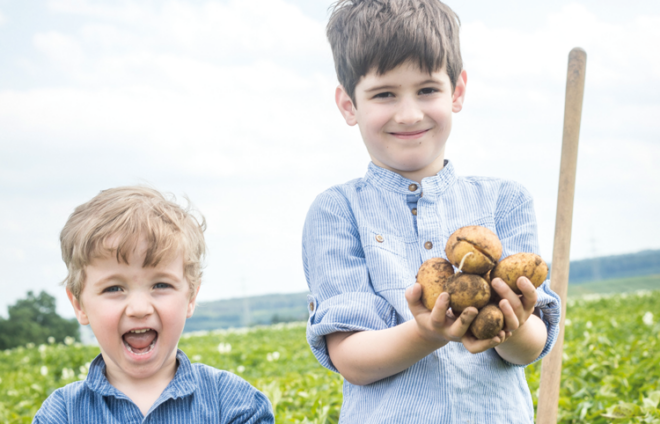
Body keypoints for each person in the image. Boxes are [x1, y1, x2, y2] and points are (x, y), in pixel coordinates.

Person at [302, 1, 561, 422]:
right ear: (349, 104)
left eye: (427, 90)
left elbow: (530, 347)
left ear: (456, 91)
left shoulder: (505, 201)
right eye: (384, 94)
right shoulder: (337, 212)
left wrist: (510, 324)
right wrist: (428, 333)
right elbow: (351, 357)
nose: (409, 114)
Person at [34, 186, 274, 423]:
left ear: (190, 297)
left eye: (160, 285)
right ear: (79, 306)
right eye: (114, 288)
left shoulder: (235, 404)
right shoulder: (60, 414)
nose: (139, 309)